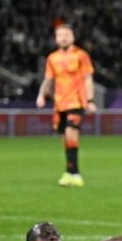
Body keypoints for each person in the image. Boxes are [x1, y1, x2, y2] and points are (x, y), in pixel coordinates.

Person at [36, 24, 96, 188]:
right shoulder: (52, 58)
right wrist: (42, 95)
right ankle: (70, 172)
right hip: (59, 103)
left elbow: (87, 78)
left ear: (73, 37)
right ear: (56, 39)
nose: (63, 38)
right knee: (65, 138)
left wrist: (90, 100)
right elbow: (48, 79)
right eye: (60, 35)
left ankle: (75, 173)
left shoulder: (81, 55)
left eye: (66, 35)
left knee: (71, 132)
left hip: (76, 101)